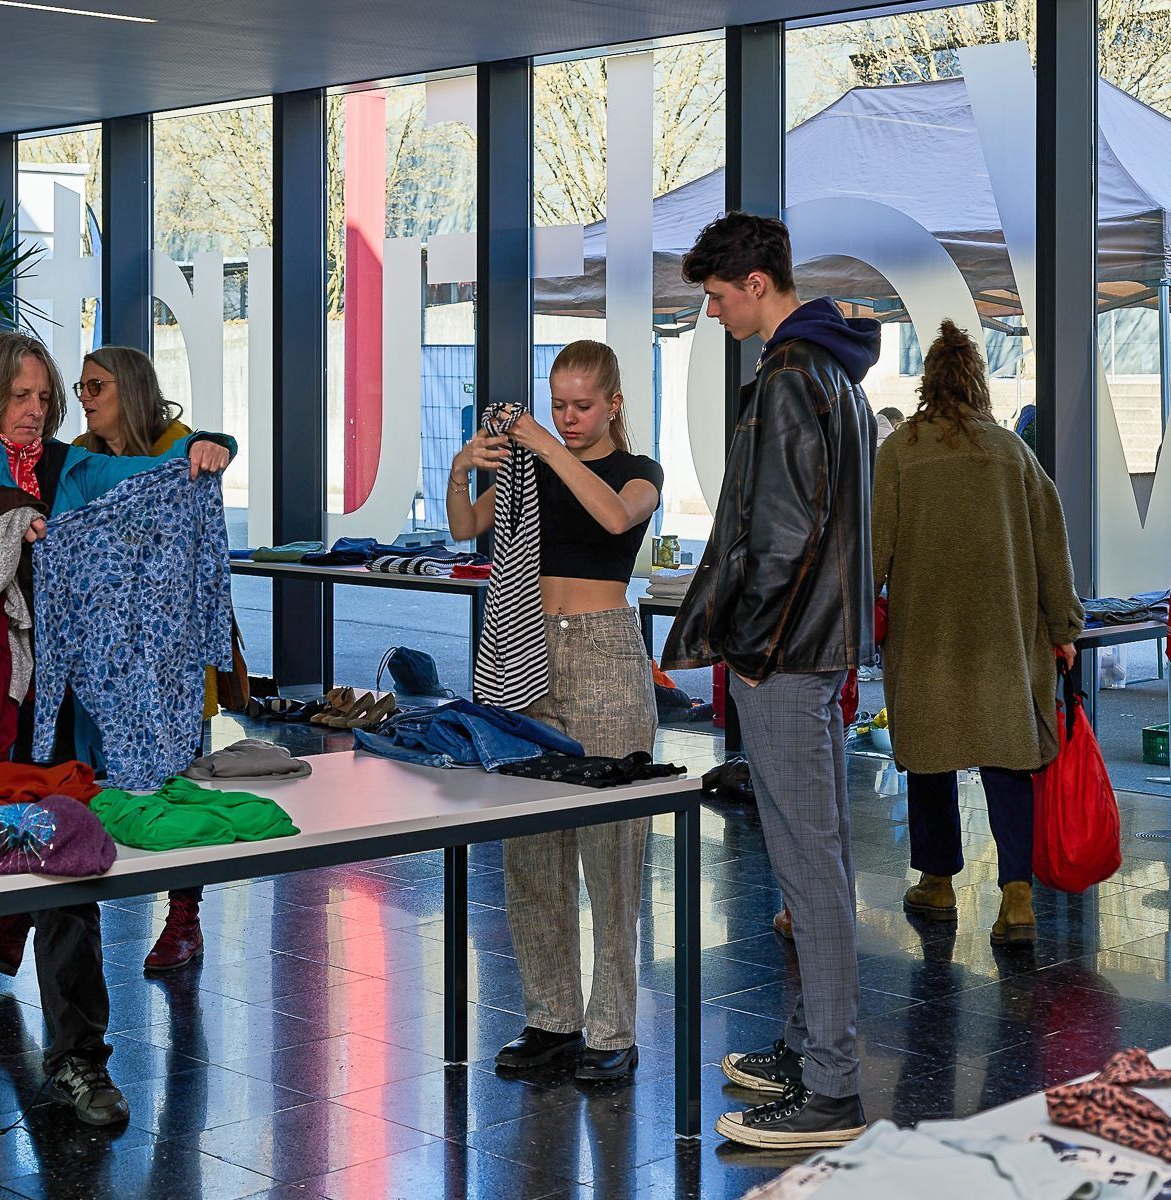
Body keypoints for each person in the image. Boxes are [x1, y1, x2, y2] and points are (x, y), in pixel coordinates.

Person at [0, 331, 232, 1126]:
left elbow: (149, 471)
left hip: (50, 721)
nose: (36, 411)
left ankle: (79, 1061)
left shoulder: (72, 467)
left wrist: (210, 449)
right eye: (21, 397)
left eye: (45, 397)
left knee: (69, 880)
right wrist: (7, 525)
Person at [662, 211, 876, 1149]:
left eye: (716, 297)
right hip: (814, 649)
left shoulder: (792, 376)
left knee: (810, 869)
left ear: (758, 283)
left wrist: (746, 649)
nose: (712, 316)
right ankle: (808, 1048)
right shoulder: (834, 371)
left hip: (785, 656)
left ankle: (830, 1086)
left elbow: (783, 539)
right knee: (810, 862)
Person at [449, 340, 663, 1082]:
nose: (567, 419)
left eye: (581, 406)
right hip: (524, 646)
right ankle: (550, 1020)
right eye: (558, 404)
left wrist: (543, 443)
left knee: (611, 851)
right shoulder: (529, 467)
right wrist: (460, 469)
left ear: (614, 404)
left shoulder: (640, 474)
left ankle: (612, 1029)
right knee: (530, 848)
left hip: (604, 651)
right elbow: (464, 529)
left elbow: (611, 519)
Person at [875, 321, 1084, 944]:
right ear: (977, 382)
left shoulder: (901, 452)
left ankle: (938, 882)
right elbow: (1054, 546)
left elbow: (875, 550)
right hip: (1004, 639)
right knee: (1007, 758)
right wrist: (1065, 626)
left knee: (928, 758)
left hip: (927, 637)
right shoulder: (1011, 451)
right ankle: (1016, 897)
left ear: (927, 384)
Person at [71, 345, 216, 976]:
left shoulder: (181, 447)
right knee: (87, 785)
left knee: (174, 791)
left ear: (129, 388)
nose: (85, 397)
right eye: (79, 387)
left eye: (95, 385)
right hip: (98, 658)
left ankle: (184, 919)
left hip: (165, 661)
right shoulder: (81, 455)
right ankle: (71, 918)